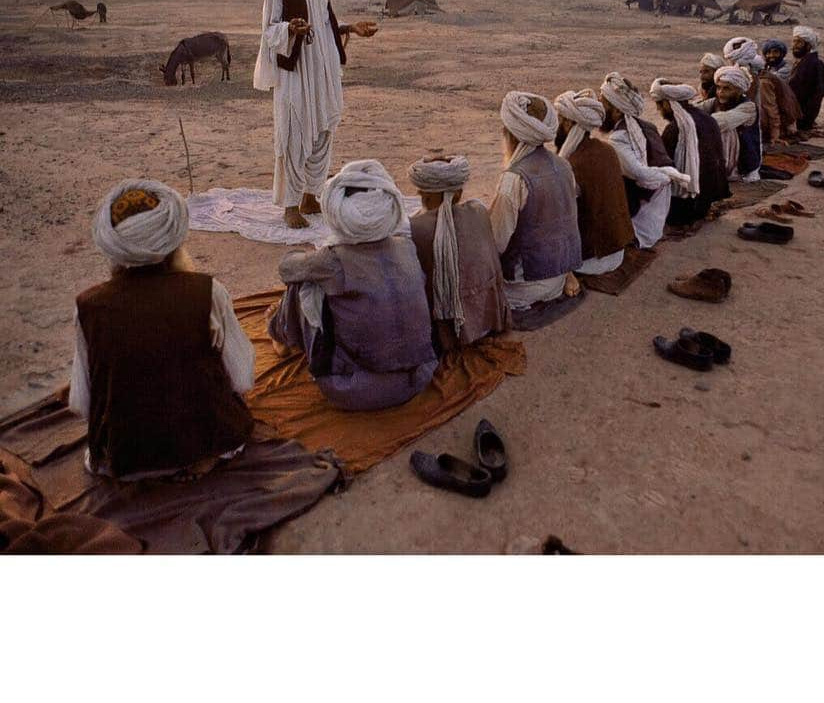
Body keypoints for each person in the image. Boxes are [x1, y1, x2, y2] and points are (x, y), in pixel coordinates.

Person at [70, 179, 254, 480]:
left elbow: (84, 400)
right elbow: (242, 377)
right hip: (210, 443)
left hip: (122, 459)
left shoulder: (88, 306)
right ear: (174, 240)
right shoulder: (209, 292)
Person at [266, 160, 437, 410]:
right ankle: (283, 330)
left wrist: (311, 259)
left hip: (354, 389)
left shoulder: (333, 260)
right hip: (420, 376)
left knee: (304, 285)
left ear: (339, 212)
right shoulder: (405, 246)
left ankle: (280, 333)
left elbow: (286, 268)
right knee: (316, 277)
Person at [253, 0, 378, 230]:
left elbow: (326, 23)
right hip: (297, 72)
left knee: (323, 132)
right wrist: (289, 28)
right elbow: (269, 29)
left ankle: (311, 194)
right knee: (295, 135)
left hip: (323, 69)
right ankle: (290, 205)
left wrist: (352, 28)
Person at [488, 91, 583, 311]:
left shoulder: (514, 179)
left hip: (523, 288)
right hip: (557, 278)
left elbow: (497, 243)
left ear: (510, 135)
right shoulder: (563, 165)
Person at [408, 154, 510, 353]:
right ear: (460, 193)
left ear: (425, 195)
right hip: (487, 319)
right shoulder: (478, 210)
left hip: (450, 329)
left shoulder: (416, 228)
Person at [598, 72, 689, 249]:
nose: (600, 108)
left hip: (645, 209)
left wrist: (666, 174)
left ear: (617, 110)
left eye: (603, 103)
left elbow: (640, 174)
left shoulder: (619, 138)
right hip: (659, 202)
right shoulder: (648, 125)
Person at [554, 89, 635, 276]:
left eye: (560, 120)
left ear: (568, 123)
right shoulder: (607, 149)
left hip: (593, 260)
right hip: (618, 250)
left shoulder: (571, 164)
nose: (558, 126)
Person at [649, 78, 730, 225]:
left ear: (667, 104)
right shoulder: (707, 118)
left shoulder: (676, 128)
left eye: (659, 105)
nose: (659, 110)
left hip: (688, 202)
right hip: (710, 196)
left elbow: (661, 163)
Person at [709, 66, 761, 181]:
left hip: (743, 160)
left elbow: (720, 122)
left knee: (725, 129)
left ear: (739, 90)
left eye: (727, 88)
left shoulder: (749, 107)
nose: (720, 92)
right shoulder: (715, 102)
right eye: (718, 88)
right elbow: (694, 109)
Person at [789, 25, 824, 134]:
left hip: (801, 118)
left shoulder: (813, 65)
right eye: (794, 41)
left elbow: (811, 97)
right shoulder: (803, 62)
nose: (795, 45)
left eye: (799, 42)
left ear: (808, 46)